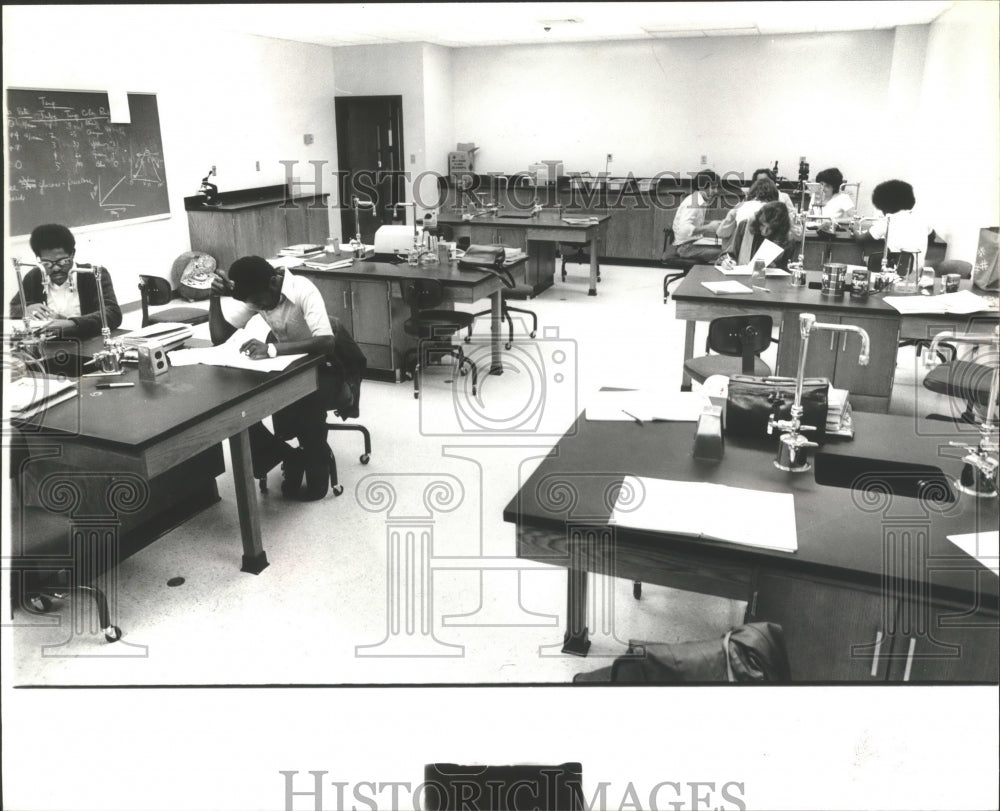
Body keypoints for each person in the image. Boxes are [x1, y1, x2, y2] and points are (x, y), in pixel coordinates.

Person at [209, 256, 366, 501]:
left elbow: (326, 342)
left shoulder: (302, 288)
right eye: (256, 305)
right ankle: (289, 456)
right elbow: (219, 337)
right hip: (291, 366)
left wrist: (271, 350)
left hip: (328, 366)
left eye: (261, 302)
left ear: (274, 283)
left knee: (306, 399)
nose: (262, 307)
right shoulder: (259, 294)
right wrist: (214, 297)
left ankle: (316, 463)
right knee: (241, 406)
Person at [9, 223, 122, 338]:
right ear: (39, 259)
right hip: (49, 344)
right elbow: (11, 308)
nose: (56, 268)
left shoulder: (92, 274)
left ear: (72, 254)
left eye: (62, 261)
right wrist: (25, 309)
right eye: (47, 263)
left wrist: (72, 323)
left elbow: (112, 313)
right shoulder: (34, 276)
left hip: (88, 341)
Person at [852, 179, 931, 269]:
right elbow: (931, 235)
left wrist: (855, 227)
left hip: (897, 272)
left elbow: (860, 238)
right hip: (917, 272)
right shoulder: (922, 219)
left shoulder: (888, 220)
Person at [717, 201, 798, 271]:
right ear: (758, 221)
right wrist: (727, 261)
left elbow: (786, 268)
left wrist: (777, 267)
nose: (764, 231)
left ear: (778, 229)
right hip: (741, 278)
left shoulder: (786, 240)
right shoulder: (745, 226)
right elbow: (729, 254)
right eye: (762, 225)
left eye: (770, 229)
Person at [716, 177, 780, 254]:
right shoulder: (776, 211)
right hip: (767, 255)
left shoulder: (740, 206)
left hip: (739, 255)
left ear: (752, 192)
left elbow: (722, 233)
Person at [672, 170, 725, 261]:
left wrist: (714, 225)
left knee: (726, 248)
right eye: (713, 188)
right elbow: (684, 229)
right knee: (726, 253)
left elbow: (695, 224)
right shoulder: (693, 202)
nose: (716, 191)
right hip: (686, 248)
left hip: (694, 243)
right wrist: (709, 227)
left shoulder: (699, 200)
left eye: (716, 188)